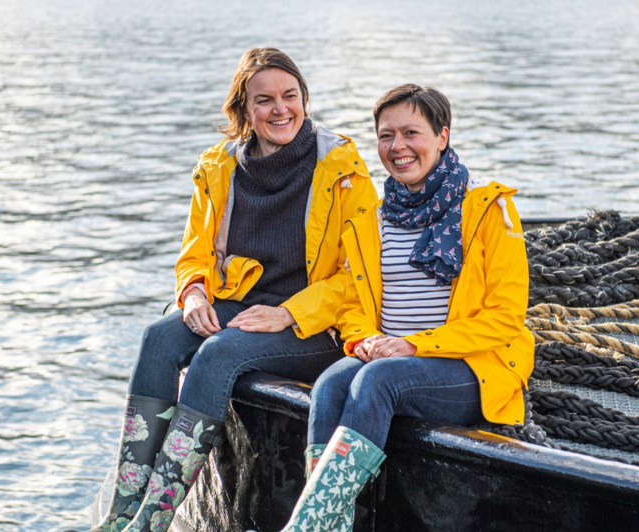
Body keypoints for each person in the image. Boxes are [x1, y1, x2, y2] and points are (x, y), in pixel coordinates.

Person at [72, 47, 377, 532]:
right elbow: (196, 252)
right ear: (244, 110)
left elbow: (360, 274)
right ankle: (121, 514)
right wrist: (192, 291)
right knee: (158, 339)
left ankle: (154, 519)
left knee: (217, 354)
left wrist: (291, 313)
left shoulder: (342, 168)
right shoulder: (220, 167)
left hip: (315, 324)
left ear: (304, 99)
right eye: (264, 100)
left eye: (290, 96)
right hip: (241, 304)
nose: (280, 109)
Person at [276, 85, 533, 532]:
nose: (397, 147)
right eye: (386, 135)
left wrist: (413, 346)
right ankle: (330, 525)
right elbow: (354, 304)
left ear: (442, 137)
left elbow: (505, 317)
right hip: (390, 356)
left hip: (469, 368)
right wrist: (365, 340)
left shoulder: (490, 209)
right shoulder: (372, 219)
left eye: (411, 132)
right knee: (328, 387)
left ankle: (307, 526)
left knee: (379, 380)